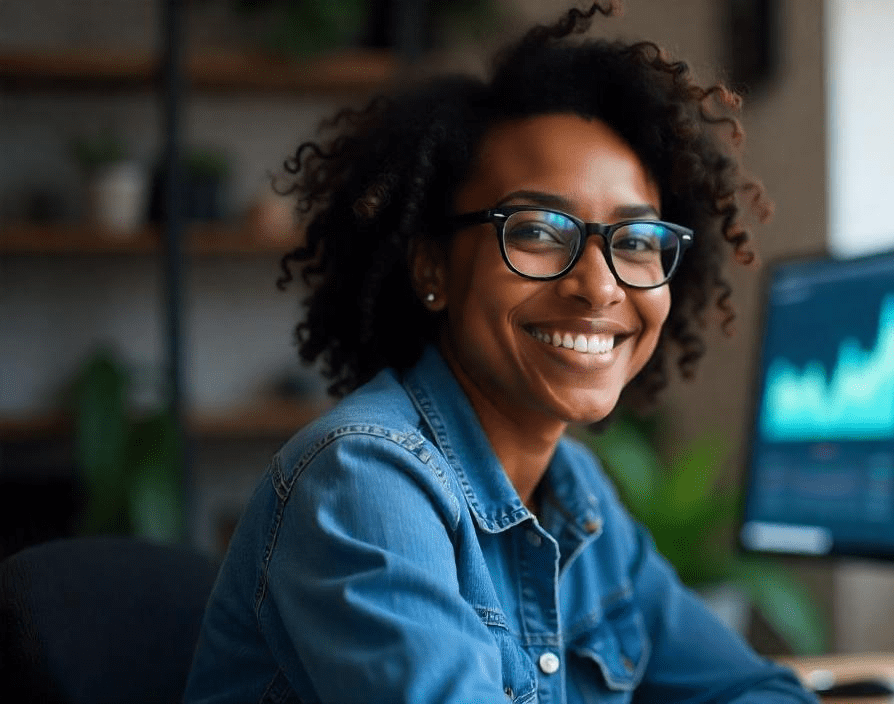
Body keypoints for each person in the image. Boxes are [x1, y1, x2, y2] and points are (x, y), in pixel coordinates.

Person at [184, 3, 818, 703]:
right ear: (431, 269)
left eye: (635, 242)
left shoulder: (576, 494)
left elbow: (756, 690)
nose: (599, 285)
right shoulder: (364, 483)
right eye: (540, 231)